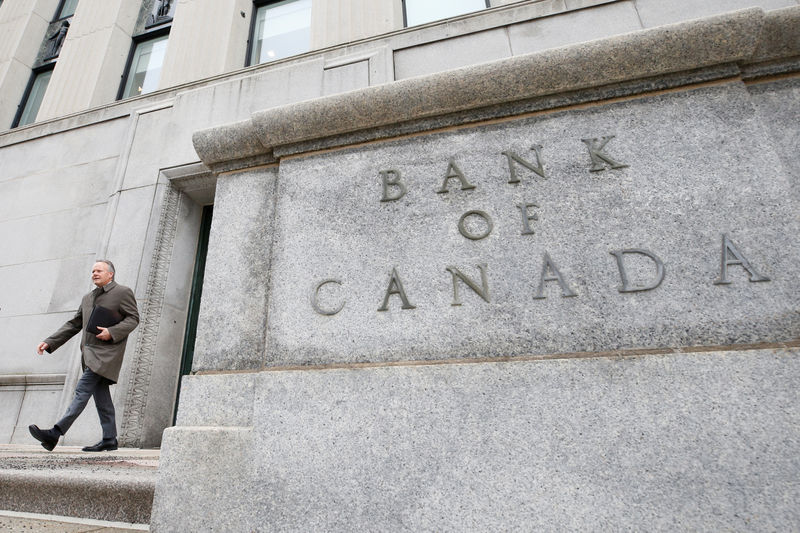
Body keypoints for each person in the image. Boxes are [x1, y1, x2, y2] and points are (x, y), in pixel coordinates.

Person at [28, 260, 139, 452]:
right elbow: (74, 324)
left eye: (99, 270)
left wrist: (112, 331)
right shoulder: (88, 298)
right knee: (102, 398)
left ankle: (55, 432)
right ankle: (109, 439)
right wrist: (50, 341)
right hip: (89, 355)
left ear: (110, 274)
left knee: (82, 390)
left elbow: (133, 318)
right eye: (93, 270)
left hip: (106, 354)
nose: (94, 273)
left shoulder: (122, 292)